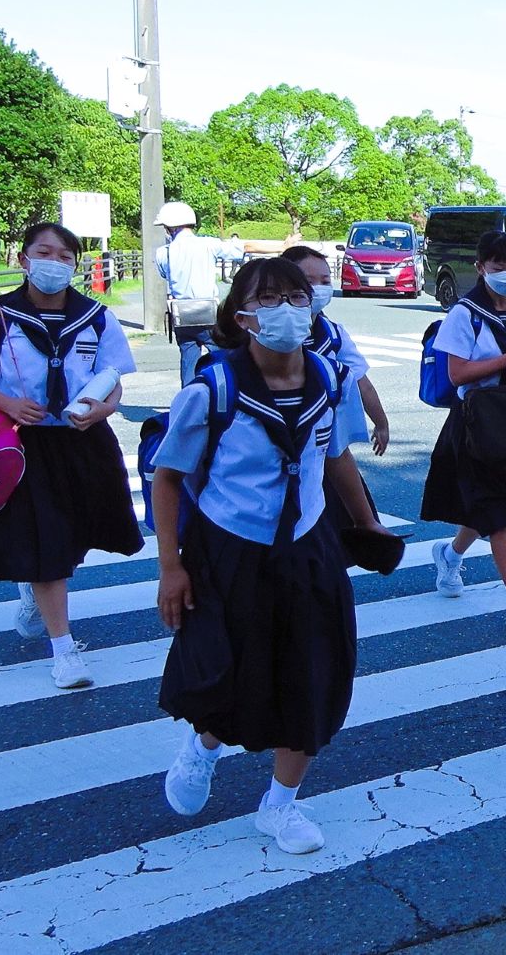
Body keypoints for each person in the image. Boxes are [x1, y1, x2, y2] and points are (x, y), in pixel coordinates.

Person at [151, 257, 387, 855]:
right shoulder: (212, 390)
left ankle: (279, 806)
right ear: (244, 316)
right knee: (226, 672)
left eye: (296, 297)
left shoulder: (329, 379)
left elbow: (334, 457)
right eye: (271, 300)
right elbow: (169, 479)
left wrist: (366, 524)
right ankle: (203, 748)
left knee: (315, 676)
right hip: (229, 549)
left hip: (308, 547)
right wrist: (172, 569)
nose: (287, 310)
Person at [0, 222, 143, 689]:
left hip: (81, 442)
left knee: (72, 536)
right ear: (23, 259)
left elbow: (113, 378)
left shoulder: (96, 316)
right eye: (44, 253)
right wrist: (8, 403)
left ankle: (36, 592)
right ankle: (64, 651)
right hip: (23, 444)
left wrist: (104, 409)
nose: (54, 264)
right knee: (47, 543)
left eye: (65, 257)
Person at [419, 231, 506, 628]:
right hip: (476, 421)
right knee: (498, 508)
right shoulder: (464, 313)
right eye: (498, 267)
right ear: (480, 268)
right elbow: (457, 372)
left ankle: (451, 555)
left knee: (494, 505)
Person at [279, 245, 392, 457]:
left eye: (325, 281)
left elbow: (361, 381)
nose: (318, 288)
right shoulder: (265, 333)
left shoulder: (333, 335)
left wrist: (381, 423)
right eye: (309, 280)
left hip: (324, 443)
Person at [153, 202, 220, 378]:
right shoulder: (209, 244)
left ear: (170, 227)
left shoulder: (163, 252)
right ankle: (221, 395)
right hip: (208, 312)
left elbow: (164, 274)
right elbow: (242, 249)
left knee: (188, 360)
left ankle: (189, 400)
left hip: (182, 314)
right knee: (221, 358)